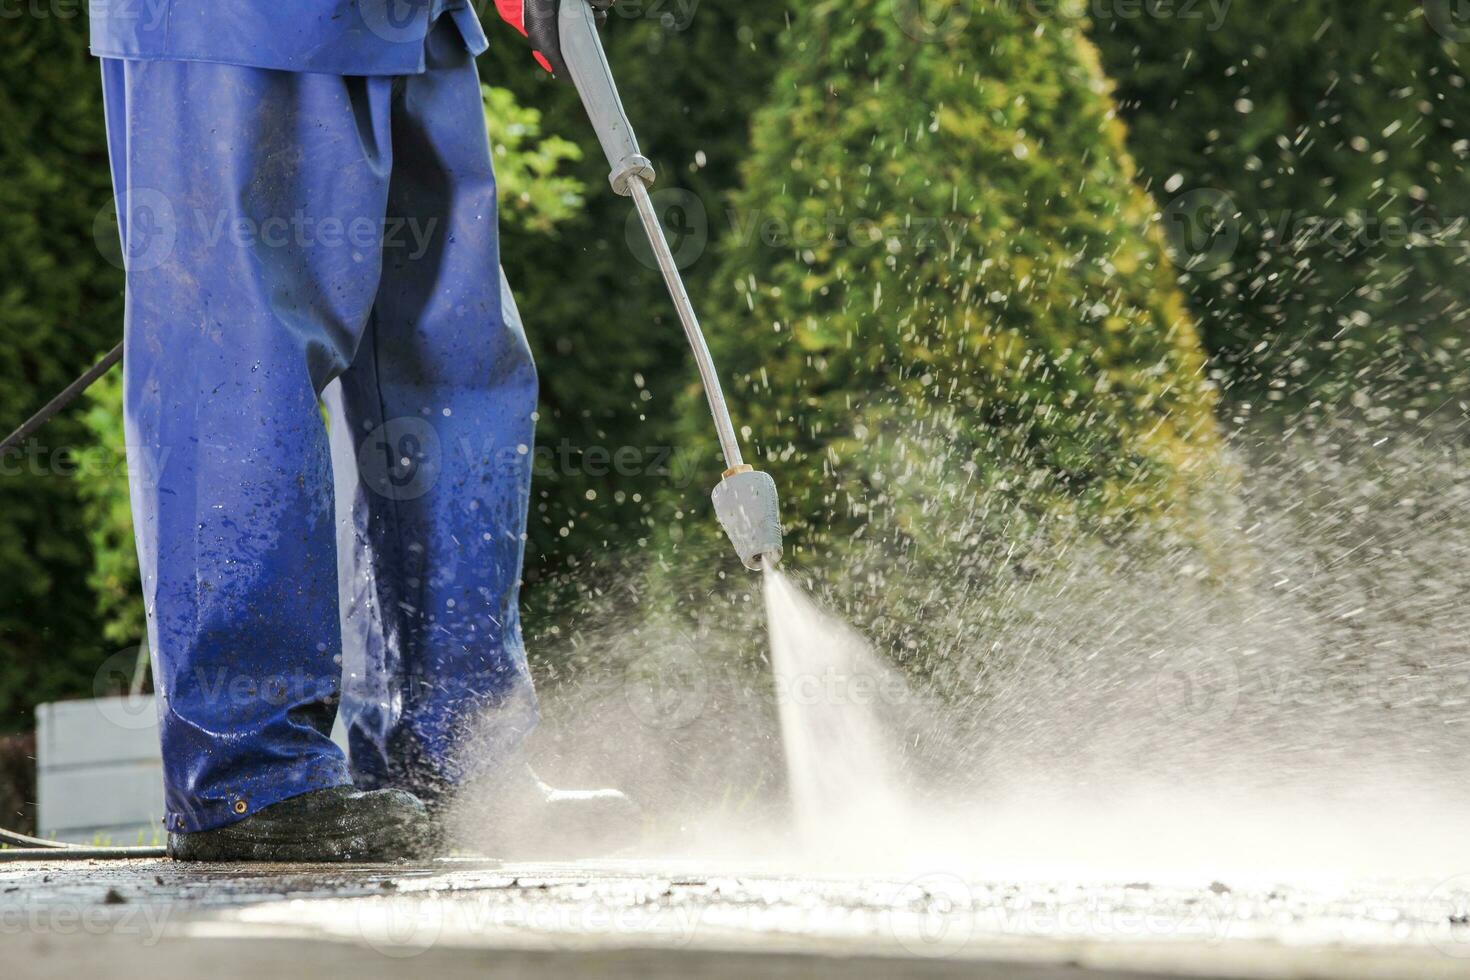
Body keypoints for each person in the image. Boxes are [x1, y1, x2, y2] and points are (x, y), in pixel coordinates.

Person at [91, 0, 633, 861]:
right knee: (244, 361)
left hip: (415, 21)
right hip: (239, 23)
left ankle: (458, 754)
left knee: (451, 359)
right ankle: (250, 772)